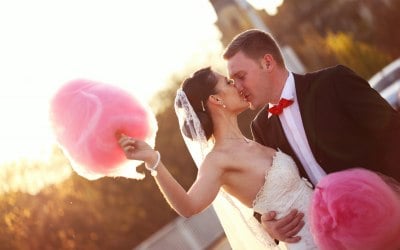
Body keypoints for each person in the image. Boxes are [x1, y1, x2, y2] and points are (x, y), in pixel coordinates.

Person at [223, 28, 400, 244]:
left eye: (241, 77)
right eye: (233, 81)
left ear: (267, 63)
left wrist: (392, 193)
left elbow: (393, 132)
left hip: (386, 214)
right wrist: (267, 224)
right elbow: (267, 189)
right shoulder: (261, 128)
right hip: (334, 240)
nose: (238, 88)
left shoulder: (334, 82)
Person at [118, 67, 317, 249]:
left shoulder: (254, 141)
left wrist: (267, 225)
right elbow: (188, 206)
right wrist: (153, 161)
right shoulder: (217, 161)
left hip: (330, 228)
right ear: (216, 100)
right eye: (229, 83)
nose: (237, 85)